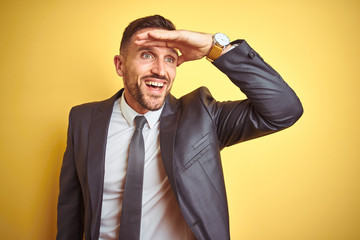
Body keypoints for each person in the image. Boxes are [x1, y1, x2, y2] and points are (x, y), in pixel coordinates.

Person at [57, 15, 303, 240]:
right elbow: (71, 209)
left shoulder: (203, 118)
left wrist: (213, 48)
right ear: (120, 65)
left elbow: (284, 110)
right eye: (146, 55)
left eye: (170, 59)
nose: (160, 70)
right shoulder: (83, 120)